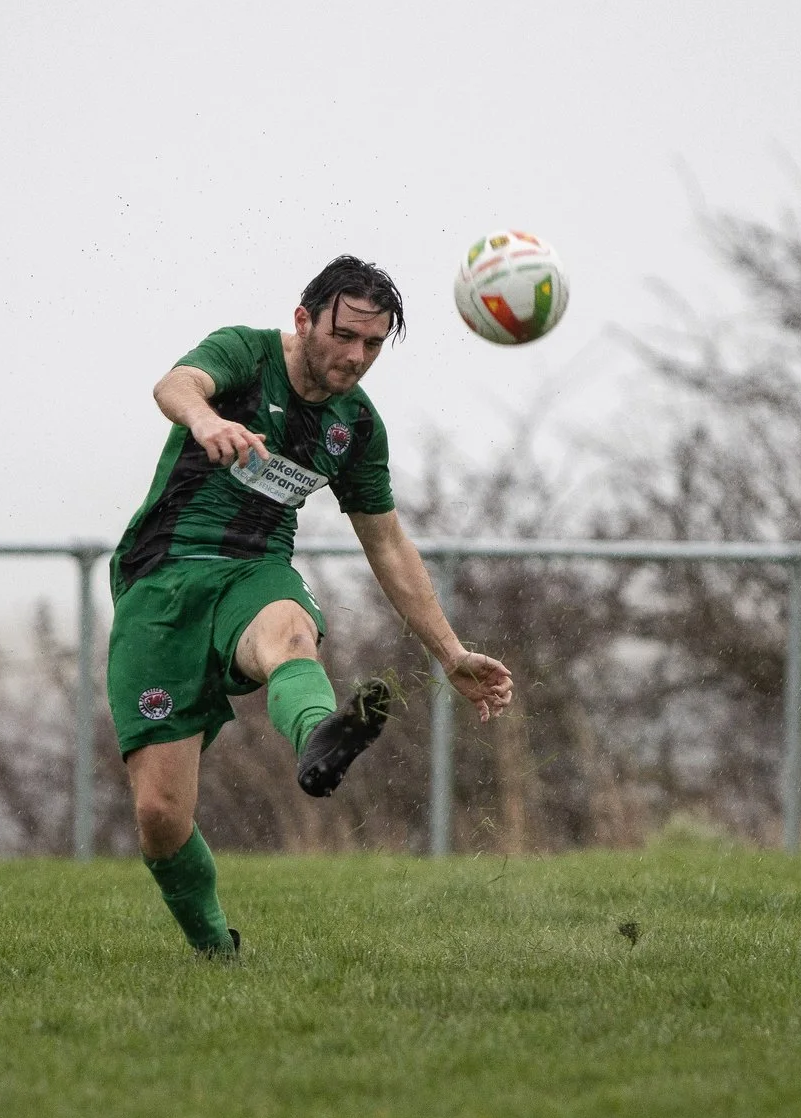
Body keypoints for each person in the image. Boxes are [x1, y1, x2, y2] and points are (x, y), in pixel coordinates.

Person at [109, 256, 514, 956]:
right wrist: (206, 419)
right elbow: (175, 384)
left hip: (255, 573)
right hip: (161, 581)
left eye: (373, 344)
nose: (357, 356)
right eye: (345, 336)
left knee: (290, 633)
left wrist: (450, 652)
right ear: (304, 320)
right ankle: (216, 949)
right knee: (160, 815)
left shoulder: (355, 427)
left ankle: (321, 738)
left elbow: (387, 544)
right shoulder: (246, 353)